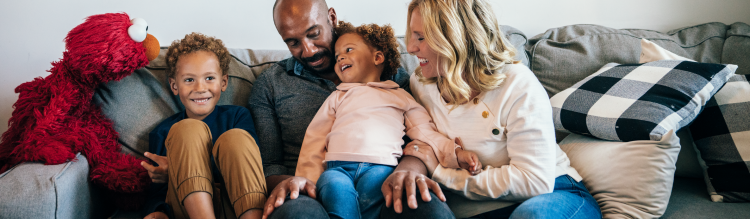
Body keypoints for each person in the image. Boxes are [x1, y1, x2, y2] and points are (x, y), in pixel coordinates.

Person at [394, 0, 603, 218]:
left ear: (456, 38)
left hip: (551, 194)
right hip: (474, 206)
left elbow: (534, 181)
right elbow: (421, 142)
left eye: (422, 37)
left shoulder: (516, 84)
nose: (410, 48)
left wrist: (441, 174)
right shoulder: (421, 83)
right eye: (412, 35)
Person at [251, 0, 455, 218]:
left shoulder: (387, 72)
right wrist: (294, 182)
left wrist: (410, 170)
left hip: (386, 177)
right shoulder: (271, 84)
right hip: (310, 190)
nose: (308, 50)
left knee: (426, 206)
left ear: (331, 17)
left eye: (314, 33)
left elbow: (420, 133)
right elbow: (270, 165)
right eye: (293, 43)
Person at [295, 21, 481, 219]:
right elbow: (314, 140)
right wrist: (304, 181)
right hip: (337, 169)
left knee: (377, 197)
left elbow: (425, 132)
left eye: (348, 50)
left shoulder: (400, 96)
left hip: (380, 169)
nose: (341, 57)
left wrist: (455, 154)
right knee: (331, 183)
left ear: (377, 57)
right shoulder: (338, 96)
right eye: (337, 56)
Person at [141, 33, 266, 219]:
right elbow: (157, 195)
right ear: (174, 86)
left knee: (236, 138)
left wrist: (174, 168)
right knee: (186, 129)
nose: (200, 88)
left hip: (235, 204)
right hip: (187, 211)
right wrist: (157, 212)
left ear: (223, 82)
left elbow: (249, 168)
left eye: (209, 78)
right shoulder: (163, 132)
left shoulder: (238, 116)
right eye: (189, 80)